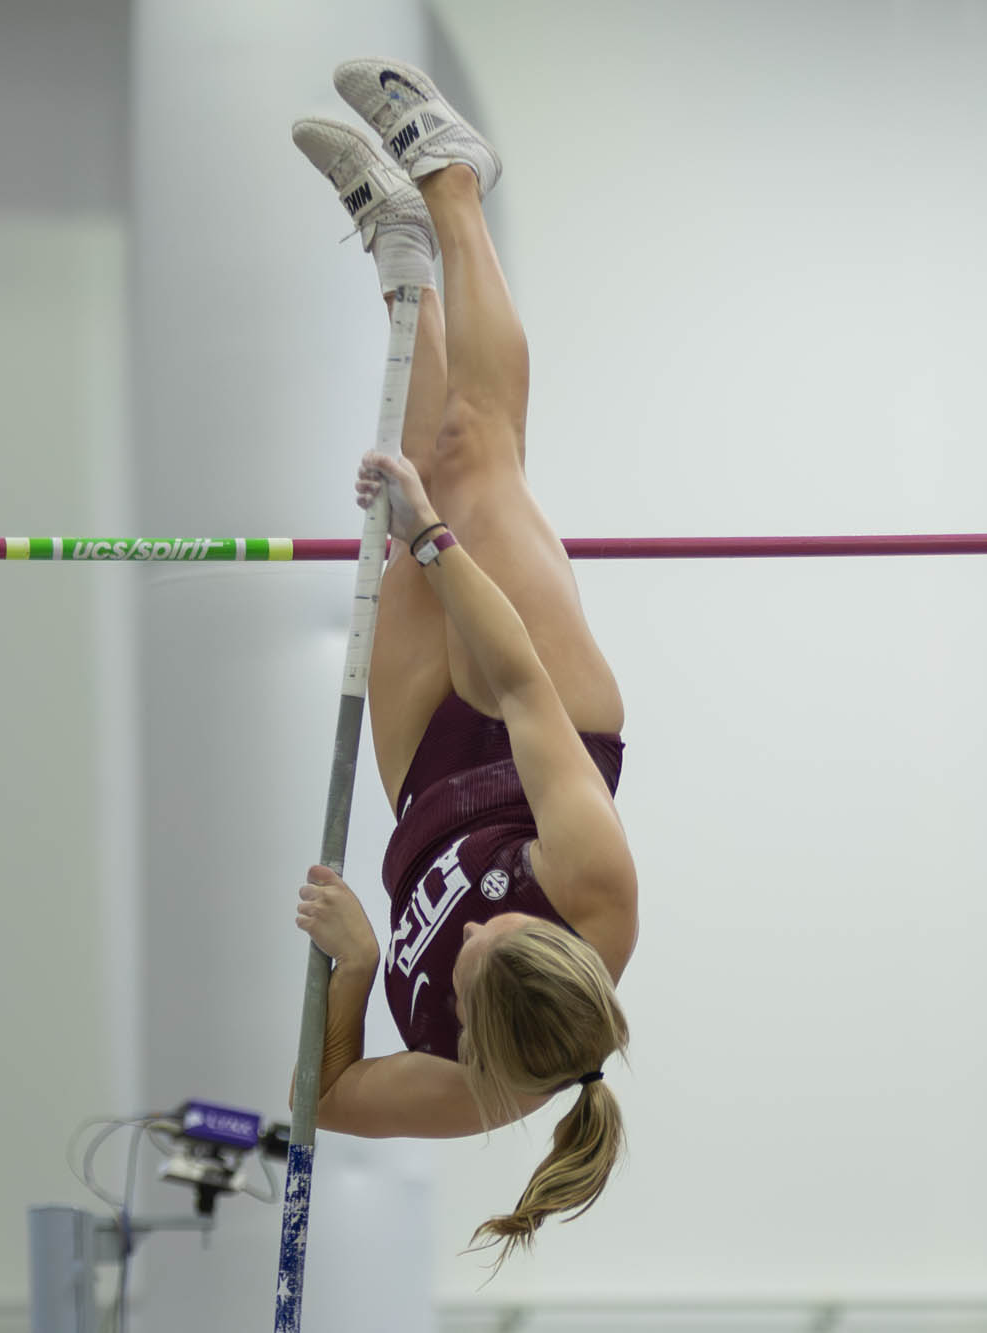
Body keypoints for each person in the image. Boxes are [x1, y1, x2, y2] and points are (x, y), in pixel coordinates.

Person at [288, 60, 636, 1268]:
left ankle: (396, 259)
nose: (473, 928)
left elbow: (327, 1094)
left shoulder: (463, 1088)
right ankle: (447, 180)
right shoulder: (591, 889)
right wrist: (440, 541)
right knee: (471, 456)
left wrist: (360, 962)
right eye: (502, 930)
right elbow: (527, 688)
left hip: (430, 786)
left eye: (461, 952)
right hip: (540, 729)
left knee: (403, 482)